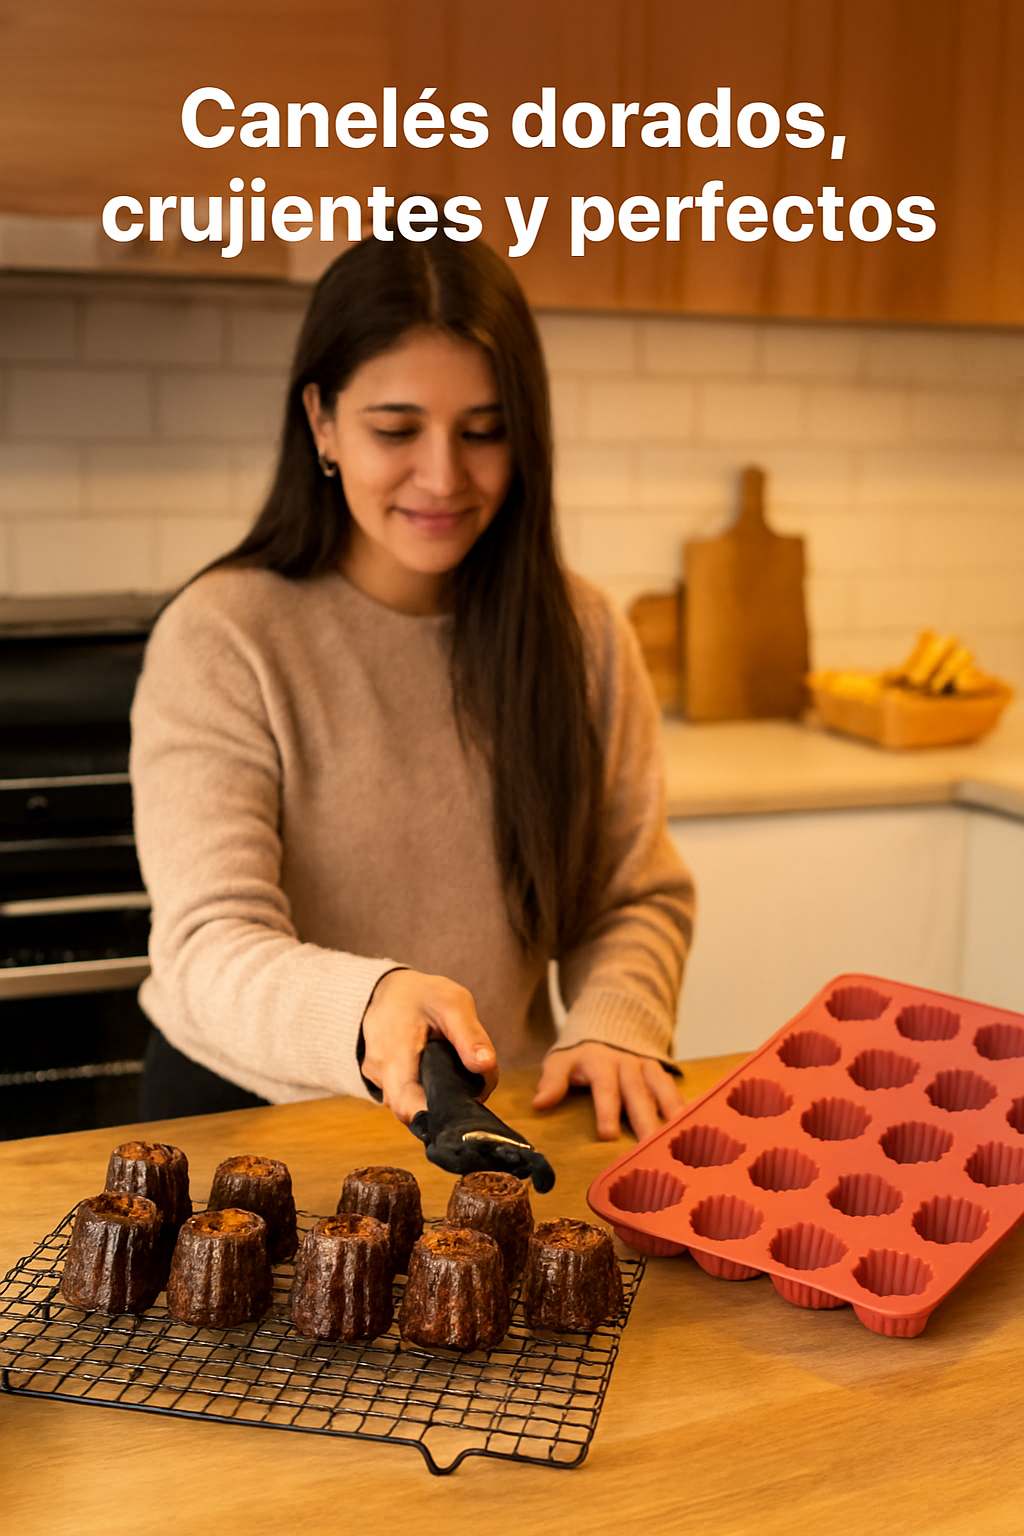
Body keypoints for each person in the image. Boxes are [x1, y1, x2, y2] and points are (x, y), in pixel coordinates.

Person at [131, 230, 695, 1142]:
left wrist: (613, 1021)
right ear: (321, 423)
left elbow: (632, 898)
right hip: (253, 1124)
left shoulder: (583, 632)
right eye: (395, 430)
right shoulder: (223, 634)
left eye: (484, 432)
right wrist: (370, 1003)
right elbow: (208, 946)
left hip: (500, 1113)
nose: (442, 476)